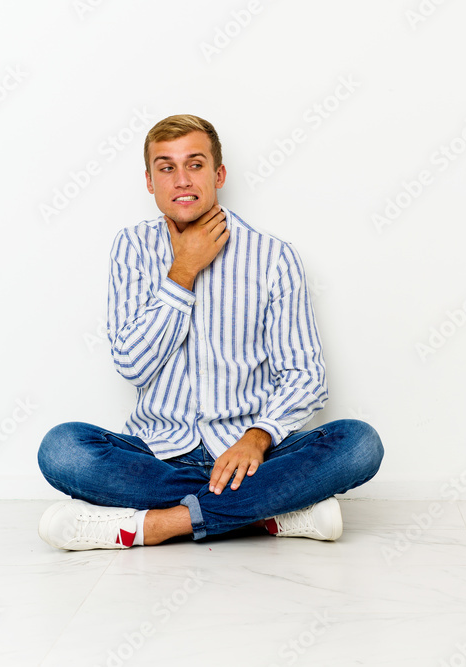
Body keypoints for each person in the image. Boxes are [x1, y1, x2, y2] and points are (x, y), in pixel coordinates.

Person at [36, 114, 383, 550]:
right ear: (149, 181)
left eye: (195, 164)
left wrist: (257, 439)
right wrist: (182, 272)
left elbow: (304, 376)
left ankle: (156, 526)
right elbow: (131, 364)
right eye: (167, 167)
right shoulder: (131, 248)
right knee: (62, 449)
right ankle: (267, 514)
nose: (182, 180)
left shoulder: (272, 256)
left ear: (218, 173)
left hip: (255, 457)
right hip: (157, 456)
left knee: (358, 444)